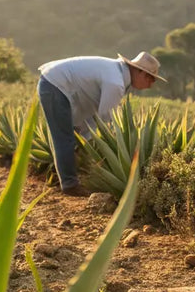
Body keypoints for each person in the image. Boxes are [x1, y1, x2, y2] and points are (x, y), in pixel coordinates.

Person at [37, 52, 166, 195]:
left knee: (71, 136)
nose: (151, 85)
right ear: (140, 72)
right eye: (151, 78)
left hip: (57, 84)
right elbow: (105, 121)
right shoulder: (115, 82)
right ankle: (70, 185)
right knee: (64, 138)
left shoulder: (117, 75)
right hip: (55, 85)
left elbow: (96, 118)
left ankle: (64, 177)